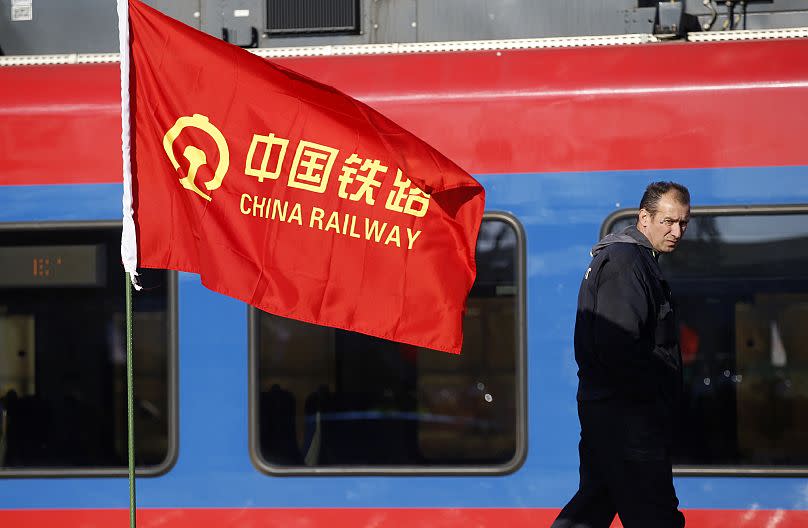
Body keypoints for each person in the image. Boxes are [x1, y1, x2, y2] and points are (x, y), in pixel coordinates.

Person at [551, 182, 691, 528]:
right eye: (668, 222)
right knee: (655, 517)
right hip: (629, 420)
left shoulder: (632, 261)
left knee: (592, 508)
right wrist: (651, 405)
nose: (677, 231)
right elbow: (619, 347)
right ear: (645, 217)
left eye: (684, 223)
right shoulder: (628, 264)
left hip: (615, 416)